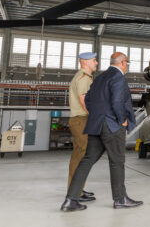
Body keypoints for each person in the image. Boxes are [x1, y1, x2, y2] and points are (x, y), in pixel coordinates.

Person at [61, 52, 141, 212]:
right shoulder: (118, 77)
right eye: (127, 63)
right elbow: (117, 101)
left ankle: (70, 200)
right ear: (123, 63)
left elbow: (88, 100)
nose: (127, 66)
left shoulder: (99, 78)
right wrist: (122, 119)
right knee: (117, 161)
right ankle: (120, 199)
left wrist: (99, 115)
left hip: (96, 125)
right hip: (112, 125)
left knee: (87, 159)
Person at [66, 52, 98, 203]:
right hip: (81, 120)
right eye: (94, 60)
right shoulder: (83, 78)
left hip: (79, 120)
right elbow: (84, 100)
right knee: (80, 157)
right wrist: (95, 117)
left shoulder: (82, 76)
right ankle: (75, 192)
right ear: (85, 62)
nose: (96, 63)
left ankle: (78, 189)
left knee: (80, 156)